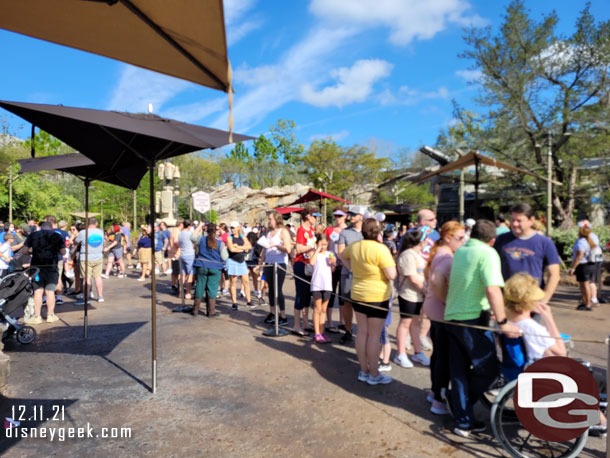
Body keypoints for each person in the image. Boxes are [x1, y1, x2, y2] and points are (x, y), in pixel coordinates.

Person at [444, 219, 520, 437]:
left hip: (452, 316)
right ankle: (463, 407)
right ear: (492, 240)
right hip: (472, 318)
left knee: (459, 371)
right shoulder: (488, 253)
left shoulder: (460, 251)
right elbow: (492, 289)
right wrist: (504, 322)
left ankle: (462, 420)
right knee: (488, 369)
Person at [341, 218, 396, 385]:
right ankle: (373, 373)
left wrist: (352, 268)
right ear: (377, 232)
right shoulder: (381, 249)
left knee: (362, 333)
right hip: (377, 296)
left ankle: (364, 370)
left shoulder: (355, 246)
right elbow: (392, 274)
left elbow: (342, 255)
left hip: (358, 293)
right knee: (374, 336)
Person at [422, 221, 465, 415]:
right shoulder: (447, 257)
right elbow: (436, 281)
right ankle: (438, 399)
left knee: (439, 354)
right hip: (441, 310)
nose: (463, 242)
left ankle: (434, 392)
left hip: (434, 308)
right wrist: (448, 302)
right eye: (460, 238)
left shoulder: (440, 252)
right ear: (448, 238)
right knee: (444, 357)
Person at [494, 203, 560, 305]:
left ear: (531, 220)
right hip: (506, 301)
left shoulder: (544, 242)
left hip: (531, 302)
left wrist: (544, 300)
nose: (515, 224)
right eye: (512, 220)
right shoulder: (501, 240)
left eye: (519, 221)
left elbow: (554, 275)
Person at [504, 272, 566, 362]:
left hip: (513, 370)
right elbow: (561, 353)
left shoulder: (504, 322)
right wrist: (549, 318)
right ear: (529, 301)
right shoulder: (533, 328)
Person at [394, 229, 430, 369]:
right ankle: (401, 353)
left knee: (415, 323)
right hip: (408, 294)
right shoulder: (408, 255)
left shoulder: (416, 254)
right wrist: (425, 291)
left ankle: (417, 352)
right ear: (420, 241)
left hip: (418, 295)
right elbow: (413, 278)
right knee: (405, 324)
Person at [23, 221, 66, 324]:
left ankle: (37, 317)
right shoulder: (56, 236)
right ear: (51, 228)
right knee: (50, 291)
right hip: (51, 266)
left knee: (38, 291)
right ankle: (50, 315)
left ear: (41, 227)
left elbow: (24, 251)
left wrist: (32, 251)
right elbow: (63, 252)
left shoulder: (33, 235)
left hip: (36, 267)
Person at [337, 205, 366, 344]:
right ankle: (348, 330)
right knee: (347, 302)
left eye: (354, 214)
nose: (351, 216)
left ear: (361, 216)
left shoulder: (367, 232)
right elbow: (341, 253)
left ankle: (363, 331)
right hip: (348, 274)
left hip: (365, 275)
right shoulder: (344, 232)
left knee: (363, 303)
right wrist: (350, 268)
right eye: (350, 214)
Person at [262, 211, 292, 326]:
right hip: (269, 263)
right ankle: (272, 313)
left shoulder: (283, 231)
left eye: (270, 219)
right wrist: (261, 263)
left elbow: (288, 249)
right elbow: (264, 248)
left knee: (277, 289)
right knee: (271, 289)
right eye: (269, 219)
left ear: (276, 219)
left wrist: (276, 246)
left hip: (279, 264)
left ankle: (283, 315)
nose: (269, 221)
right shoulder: (268, 232)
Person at [191, 222, 227, 317]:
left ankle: (195, 310)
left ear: (206, 230)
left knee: (199, 286)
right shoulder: (220, 243)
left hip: (202, 266)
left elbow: (192, 237)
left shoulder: (201, 239)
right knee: (212, 289)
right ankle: (211, 312)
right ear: (216, 231)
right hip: (215, 268)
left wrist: (199, 226)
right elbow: (225, 257)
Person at [293, 208, 319, 336]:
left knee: (308, 294)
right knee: (300, 294)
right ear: (308, 217)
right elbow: (298, 249)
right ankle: (296, 325)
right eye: (315, 216)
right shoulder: (301, 230)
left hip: (310, 265)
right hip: (301, 264)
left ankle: (305, 322)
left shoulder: (312, 230)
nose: (316, 219)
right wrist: (313, 247)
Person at [324, 207, 348, 333]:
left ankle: (343, 321)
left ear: (345, 216)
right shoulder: (330, 230)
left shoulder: (349, 231)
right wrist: (331, 261)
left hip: (346, 266)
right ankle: (329, 322)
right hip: (332, 265)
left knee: (344, 294)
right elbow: (328, 248)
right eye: (336, 216)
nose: (337, 218)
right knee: (331, 293)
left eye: (340, 216)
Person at [309, 234, 336, 343]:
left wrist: (332, 263)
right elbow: (311, 262)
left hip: (327, 285)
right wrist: (317, 249)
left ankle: (321, 331)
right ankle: (316, 333)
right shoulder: (315, 253)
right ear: (317, 243)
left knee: (324, 309)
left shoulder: (329, 254)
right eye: (322, 244)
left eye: (325, 244)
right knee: (317, 309)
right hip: (317, 284)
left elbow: (333, 269)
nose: (324, 246)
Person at [569, 225, 602, 311]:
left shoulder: (581, 242)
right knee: (584, 285)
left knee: (585, 285)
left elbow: (579, 256)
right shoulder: (589, 241)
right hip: (590, 264)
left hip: (583, 265)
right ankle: (584, 302)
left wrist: (573, 268)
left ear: (580, 232)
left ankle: (587, 304)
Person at [74, 217, 105, 304]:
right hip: (98, 256)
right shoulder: (100, 232)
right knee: (98, 277)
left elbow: (76, 242)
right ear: (96, 223)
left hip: (86, 257)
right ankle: (100, 296)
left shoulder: (83, 232)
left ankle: (86, 298)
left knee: (86, 278)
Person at [226, 221, 253, 310]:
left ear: (238, 228)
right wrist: (242, 249)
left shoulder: (242, 236)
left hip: (241, 261)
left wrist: (239, 247)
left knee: (246, 281)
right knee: (233, 282)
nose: (232, 229)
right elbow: (232, 249)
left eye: (233, 227)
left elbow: (249, 246)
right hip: (233, 261)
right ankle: (234, 302)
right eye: (231, 228)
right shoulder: (229, 238)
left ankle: (248, 301)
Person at [178, 220, 195, 298]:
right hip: (189, 255)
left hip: (182, 254)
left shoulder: (180, 233)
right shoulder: (189, 233)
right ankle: (188, 292)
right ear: (189, 226)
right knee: (191, 274)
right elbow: (194, 238)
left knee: (182, 274)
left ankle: (180, 292)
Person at [168, 221, 182, 294]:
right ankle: (179, 287)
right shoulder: (177, 231)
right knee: (179, 272)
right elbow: (176, 242)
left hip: (173, 253)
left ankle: (174, 286)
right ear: (180, 224)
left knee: (174, 272)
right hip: (177, 253)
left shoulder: (173, 230)